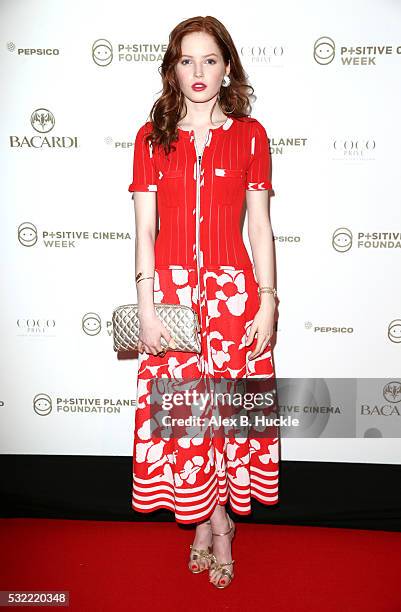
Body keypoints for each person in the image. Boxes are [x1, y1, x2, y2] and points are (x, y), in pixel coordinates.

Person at [128, 15, 280, 589]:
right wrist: (145, 306)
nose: (198, 71)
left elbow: (261, 227)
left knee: (226, 421)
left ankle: (214, 528)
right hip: (171, 300)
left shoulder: (251, 135)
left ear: (227, 68)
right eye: (186, 60)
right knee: (188, 423)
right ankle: (211, 526)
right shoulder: (151, 137)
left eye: (210, 59)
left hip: (234, 299)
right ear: (172, 68)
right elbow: (144, 230)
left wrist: (268, 303)